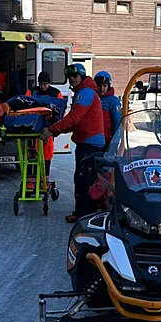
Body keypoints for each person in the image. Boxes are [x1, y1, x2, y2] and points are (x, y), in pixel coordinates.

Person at [40, 63, 105, 223]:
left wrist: (52, 130)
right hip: (88, 141)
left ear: (81, 76)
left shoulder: (86, 93)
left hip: (89, 144)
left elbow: (73, 118)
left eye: (75, 76)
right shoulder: (84, 92)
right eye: (69, 77)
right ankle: (86, 213)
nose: (72, 79)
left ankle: (83, 216)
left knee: (83, 180)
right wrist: (57, 131)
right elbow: (76, 122)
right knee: (88, 179)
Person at [26, 71, 63, 182]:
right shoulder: (31, 92)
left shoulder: (56, 93)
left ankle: (44, 182)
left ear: (49, 83)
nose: (43, 86)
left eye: (45, 84)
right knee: (31, 156)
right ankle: (30, 184)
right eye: (41, 84)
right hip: (33, 129)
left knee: (47, 156)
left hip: (48, 130)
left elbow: (60, 111)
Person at [93, 71, 122, 148]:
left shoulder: (113, 101)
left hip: (108, 141)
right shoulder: (92, 98)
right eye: (99, 86)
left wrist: (114, 142)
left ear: (108, 86)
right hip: (93, 140)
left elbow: (118, 122)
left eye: (104, 86)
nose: (102, 89)